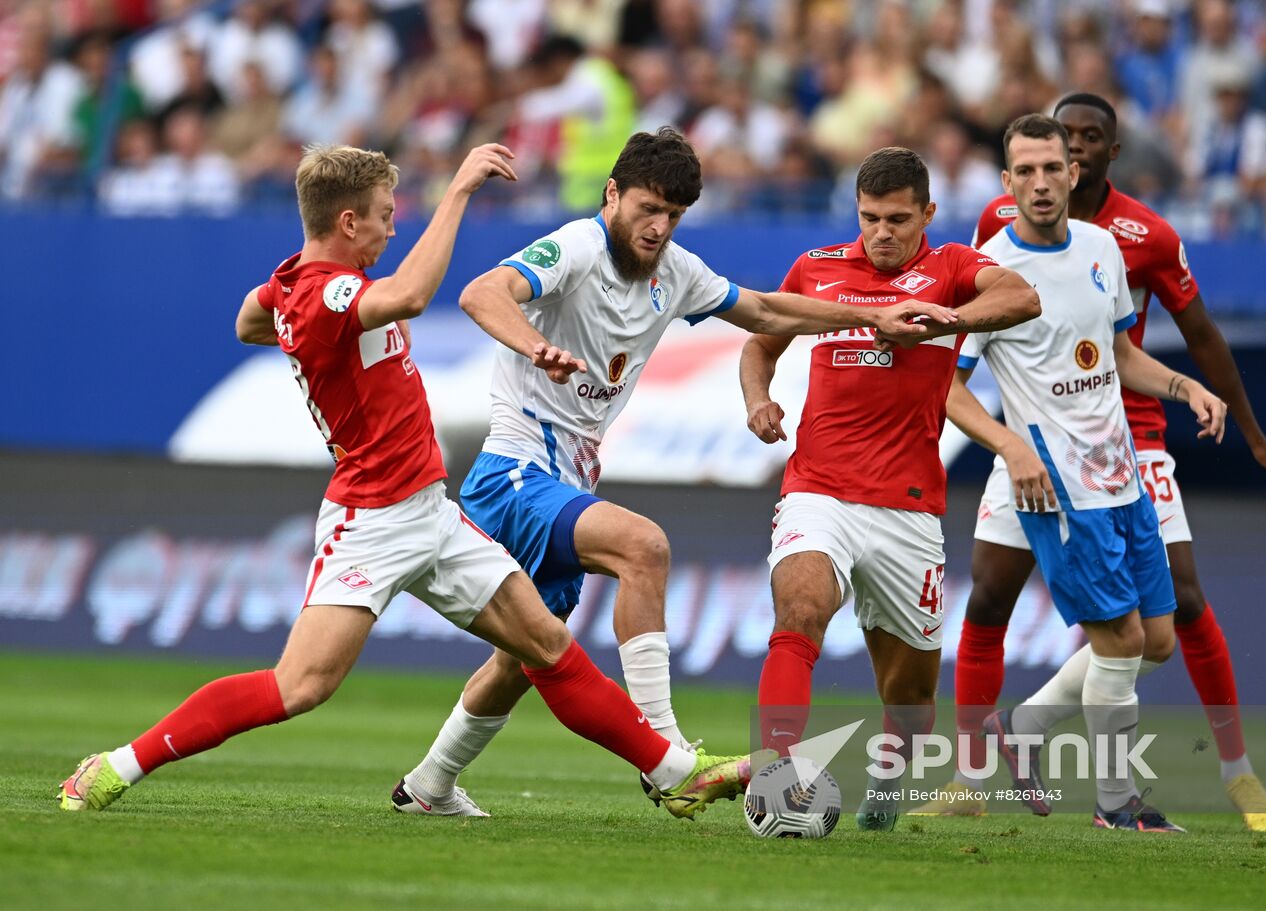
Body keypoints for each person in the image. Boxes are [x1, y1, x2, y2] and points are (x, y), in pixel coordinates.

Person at [58, 142, 756, 820]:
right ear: (347, 222)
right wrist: (457, 191)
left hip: (431, 510)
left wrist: (300, 333)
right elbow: (416, 294)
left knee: (547, 646)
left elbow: (250, 321)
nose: (395, 226)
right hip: (372, 519)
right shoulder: (329, 293)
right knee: (300, 685)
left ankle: (675, 773)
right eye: (387, 214)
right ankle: (119, 764)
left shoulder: (292, 286)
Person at [391, 128, 954, 817]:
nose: (657, 227)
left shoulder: (677, 271)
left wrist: (871, 317)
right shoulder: (575, 247)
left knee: (528, 654)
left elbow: (768, 310)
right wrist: (537, 345)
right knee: (644, 546)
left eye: (673, 215)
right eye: (647, 209)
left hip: (567, 480)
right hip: (514, 471)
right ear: (613, 195)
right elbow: (484, 292)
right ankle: (669, 758)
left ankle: (429, 784)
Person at [919, 92, 1266, 833]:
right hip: (1051, 478)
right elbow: (946, 387)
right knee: (1106, 636)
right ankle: (1115, 805)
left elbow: (1121, 352)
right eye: (1024, 170)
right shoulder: (986, 269)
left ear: (1075, 169)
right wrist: (1009, 444)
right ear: (1005, 182)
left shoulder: (1104, 249)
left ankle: (1022, 730)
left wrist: (1187, 387)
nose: (1040, 181)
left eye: (1052, 166)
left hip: (1120, 466)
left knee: (1157, 635)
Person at [741, 146, 1041, 832]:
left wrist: (949, 319)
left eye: (898, 219)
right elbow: (761, 340)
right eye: (870, 217)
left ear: (928, 214)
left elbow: (1022, 295)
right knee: (801, 608)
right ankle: (777, 778)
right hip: (818, 490)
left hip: (908, 510)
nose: (881, 232)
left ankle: (888, 774)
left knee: (909, 698)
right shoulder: (817, 269)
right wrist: (758, 399)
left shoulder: (953, 271)